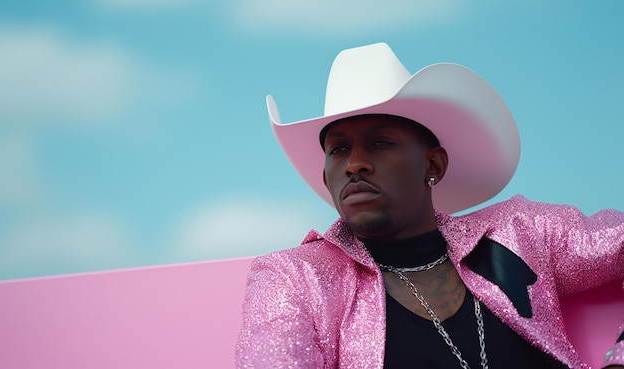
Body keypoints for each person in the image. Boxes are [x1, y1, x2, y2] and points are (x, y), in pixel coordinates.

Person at [235, 43, 624, 368]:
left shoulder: (521, 232)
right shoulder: (294, 279)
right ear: (326, 178)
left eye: (380, 141)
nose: (354, 164)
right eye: (338, 150)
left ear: (433, 164)